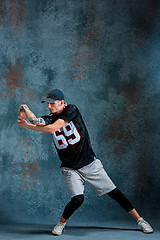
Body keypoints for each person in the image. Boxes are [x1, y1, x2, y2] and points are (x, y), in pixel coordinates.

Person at [17, 89, 153, 236]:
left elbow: (51, 129)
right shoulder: (50, 117)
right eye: (47, 104)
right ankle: (61, 223)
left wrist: (27, 124)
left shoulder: (71, 109)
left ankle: (140, 220)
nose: (49, 107)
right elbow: (38, 121)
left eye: (52, 103)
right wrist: (26, 114)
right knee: (77, 199)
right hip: (70, 167)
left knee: (114, 193)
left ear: (62, 102)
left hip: (89, 163)